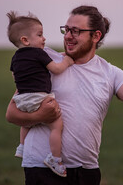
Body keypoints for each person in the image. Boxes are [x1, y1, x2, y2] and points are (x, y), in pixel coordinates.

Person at [6, 5, 123, 185]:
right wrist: (40, 116)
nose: (68, 36)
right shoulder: (46, 61)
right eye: (67, 30)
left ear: (96, 36)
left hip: (87, 171)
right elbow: (11, 114)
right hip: (42, 169)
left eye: (76, 31)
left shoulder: (110, 73)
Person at [7, 11, 74, 177]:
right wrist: (67, 60)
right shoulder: (38, 53)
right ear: (25, 40)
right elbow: (57, 69)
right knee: (56, 126)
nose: (44, 38)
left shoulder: (15, 58)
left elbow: (15, 76)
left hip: (21, 98)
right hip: (40, 96)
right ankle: (55, 158)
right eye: (40, 35)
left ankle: (22, 146)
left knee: (26, 122)